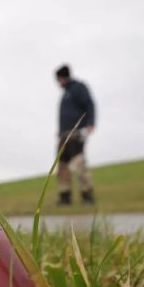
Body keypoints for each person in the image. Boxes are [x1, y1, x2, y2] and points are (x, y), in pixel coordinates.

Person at [54, 64, 96, 206]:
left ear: (62, 77)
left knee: (79, 163)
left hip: (75, 134)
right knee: (62, 166)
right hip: (63, 136)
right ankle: (65, 197)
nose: (58, 83)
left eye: (58, 79)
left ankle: (87, 195)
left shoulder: (78, 88)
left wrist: (90, 123)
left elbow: (89, 104)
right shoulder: (65, 94)